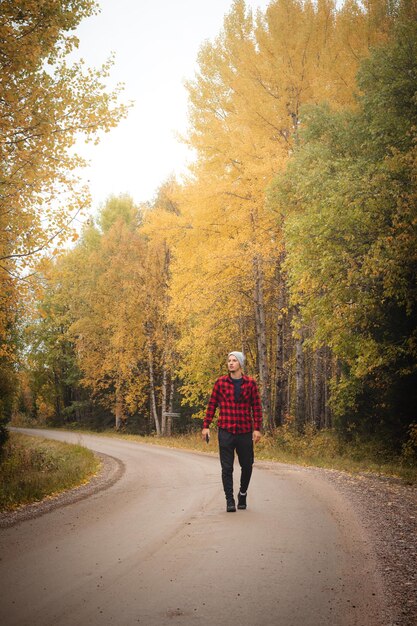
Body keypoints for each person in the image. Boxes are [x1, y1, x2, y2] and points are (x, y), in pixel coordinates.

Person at [202, 351, 262, 512]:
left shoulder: (250, 384)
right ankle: (229, 500)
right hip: (226, 431)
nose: (230, 363)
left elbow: (256, 407)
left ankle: (242, 493)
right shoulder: (220, 383)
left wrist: (257, 429)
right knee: (227, 468)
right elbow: (212, 405)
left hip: (244, 431)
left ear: (240, 364)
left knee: (247, 465)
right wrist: (206, 425)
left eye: (234, 360)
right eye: (229, 360)